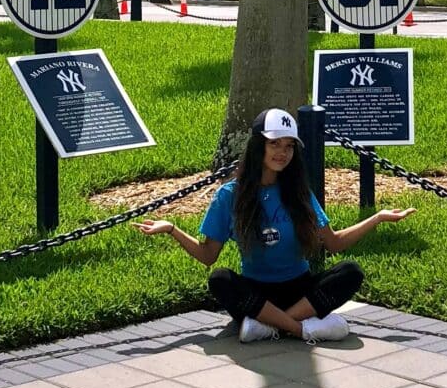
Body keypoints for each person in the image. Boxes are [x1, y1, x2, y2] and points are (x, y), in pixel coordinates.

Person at [137, 108, 415, 344]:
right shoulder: (229, 195)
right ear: (258, 146)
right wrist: (172, 229)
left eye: (289, 146)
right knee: (220, 279)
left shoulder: (298, 191)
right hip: (257, 294)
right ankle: (301, 329)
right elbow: (208, 256)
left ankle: (267, 327)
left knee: (350, 272)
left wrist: (377, 218)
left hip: (299, 291)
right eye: (275, 144)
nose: (283, 152)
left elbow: (334, 243)